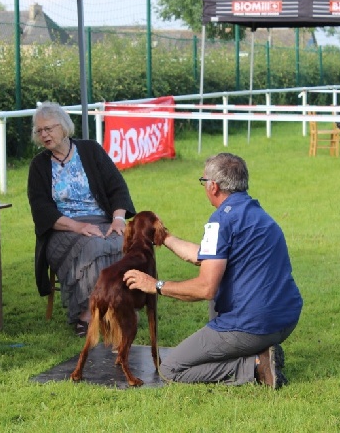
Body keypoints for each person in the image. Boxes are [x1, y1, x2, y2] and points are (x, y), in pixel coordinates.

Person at [123, 153, 303, 388]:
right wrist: (164, 237)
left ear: (214, 186)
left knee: (171, 368)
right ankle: (259, 353)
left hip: (253, 326)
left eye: (203, 181)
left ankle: (256, 366)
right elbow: (205, 256)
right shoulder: (257, 214)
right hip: (285, 321)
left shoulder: (220, 221)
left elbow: (205, 288)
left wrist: (155, 285)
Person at [27, 102, 135, 337]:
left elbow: (117, 187)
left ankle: (115, 308)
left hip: (102, 219)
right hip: (64, 228)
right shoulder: (39, 166)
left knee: (122, 241)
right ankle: (87, 313)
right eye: (39, 131)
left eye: (49, 128)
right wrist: (79, 226)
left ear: (64, 126)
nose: (44, 134)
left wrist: (118, 219)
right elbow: (42, 210)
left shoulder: (91, 150)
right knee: (94, 245)